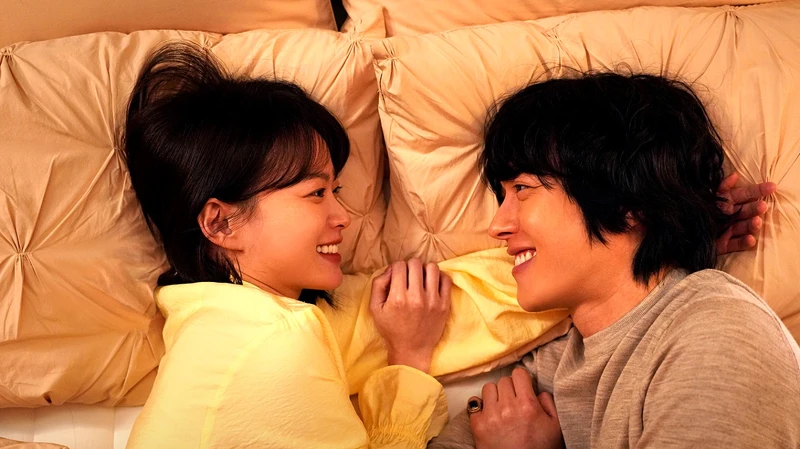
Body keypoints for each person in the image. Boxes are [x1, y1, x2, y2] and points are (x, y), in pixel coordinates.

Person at [428, 73, 799, 449]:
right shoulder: (559, 362)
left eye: (522, 188)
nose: (497, 227)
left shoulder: (717, 335)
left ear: (626, 203)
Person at [122, 41, 452, 448]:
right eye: (316, 193)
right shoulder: (278, 342)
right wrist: (410, 356)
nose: (343, 217)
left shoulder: (207, 327)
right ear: (222, 223)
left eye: (336, 191)